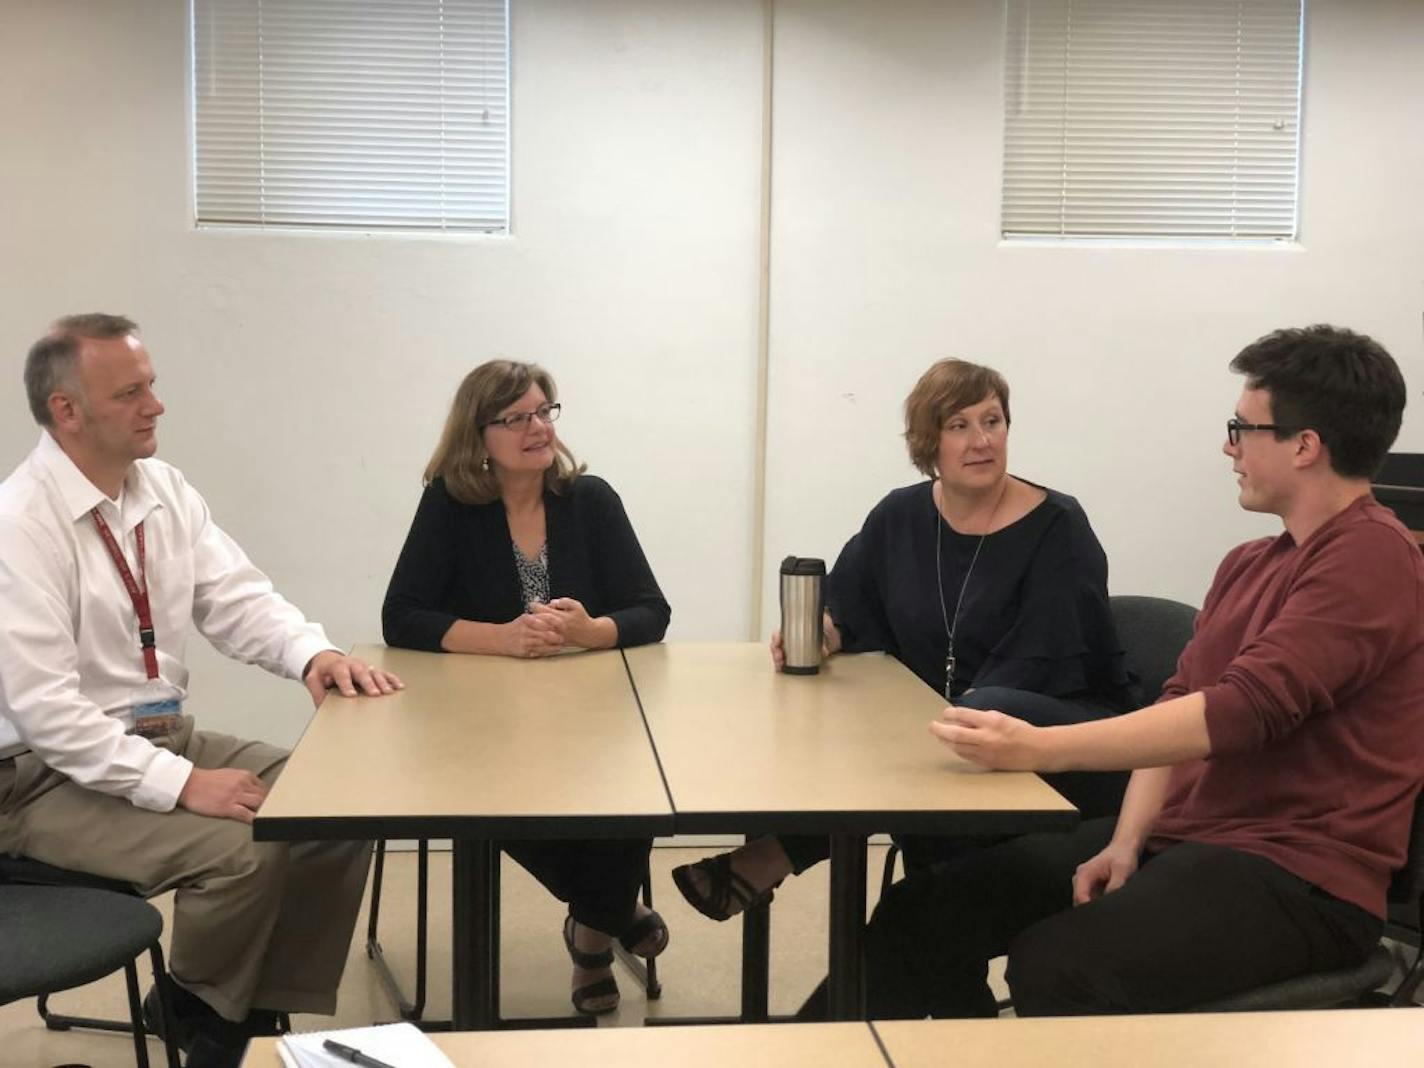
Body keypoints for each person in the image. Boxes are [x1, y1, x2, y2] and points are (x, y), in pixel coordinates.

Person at [804, 324, 1423, 1020]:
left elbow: (1239, 713)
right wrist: (1126, 841)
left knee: (1056, 965)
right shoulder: (1249, 563)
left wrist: (1038, 748)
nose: (1229, 447)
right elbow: (1181, 708)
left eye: (1242, 428)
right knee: (927, 909)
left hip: (1300, 877)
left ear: (1305, 445)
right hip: (1191, 839)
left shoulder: (1373, 557)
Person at [0, 314, 404, 1068]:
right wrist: (184, 784)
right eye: (131, 392)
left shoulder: (162, 490)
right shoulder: (21, 524)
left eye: (151, 385)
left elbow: (238, 599)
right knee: (243, 851)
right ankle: (212, 1029)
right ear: (67, 412)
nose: (156, 405)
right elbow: (49, 714)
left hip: (153, 737)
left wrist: (310, 655)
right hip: (38, 780)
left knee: (335, 807)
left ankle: (230, 1006)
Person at [673, 358, 1136, 922]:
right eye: (959, 425)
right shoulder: (901, 515)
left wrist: (920, 722)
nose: (981, 440)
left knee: (972, 720)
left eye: (993, 421)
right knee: (900, 741)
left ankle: (781, 853)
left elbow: (1042, 662)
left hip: (1060, 727)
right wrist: (821, 633)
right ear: (928, 442)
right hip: (945, 734)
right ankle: (935, 967)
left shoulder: (1058, 527)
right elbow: (847, 604)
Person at [382, 359, 671, 1016]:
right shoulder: (451, 505)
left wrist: (591, 631)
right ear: (478, 434)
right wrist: (502, 638)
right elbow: (401, 616)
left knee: (633, 786)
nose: (538, 427)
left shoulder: (590, 500)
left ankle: (591, 937)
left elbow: (650, 610)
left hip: (587, 713)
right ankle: (611, 911)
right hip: (482, 720)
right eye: (517, 418)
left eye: (545, 411)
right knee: (492, 800)